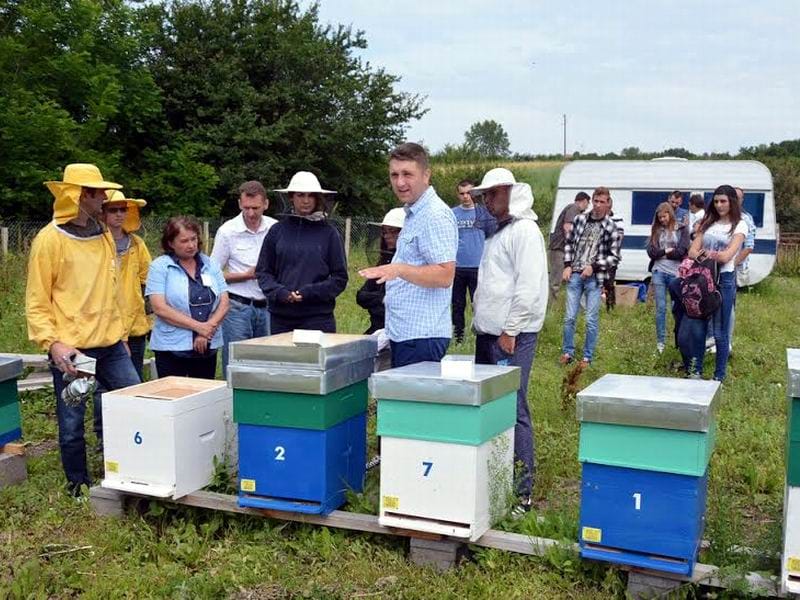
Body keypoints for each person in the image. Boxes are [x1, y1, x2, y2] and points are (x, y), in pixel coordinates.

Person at [26, 164, 141, 495]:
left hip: (111, 345)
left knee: (136, 403)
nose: (105, 197)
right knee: (73, 423)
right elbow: (37, 300)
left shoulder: (103, 235)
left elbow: (112, 289)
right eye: (99, 192)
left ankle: (131, 470)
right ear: (80, 196)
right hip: (75, 352)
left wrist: (121, 333)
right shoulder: (49, 240)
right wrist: (53, 344)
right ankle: (78, 487)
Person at [470, 168, 548, 516]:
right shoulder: (498, 232)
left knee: (513, 408)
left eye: (493, 194)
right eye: (484, 195)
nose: (487, 201)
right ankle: (495, 481)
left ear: (510, 192)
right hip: (488, 334)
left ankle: (522, 493)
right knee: (490, 407)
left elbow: (528, 287)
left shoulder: (525, 231)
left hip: (511, 336)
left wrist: (511, 331)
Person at [359, 142, 458, 368]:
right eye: (394, 175)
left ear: (426, 175)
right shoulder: (414, 213)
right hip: (406, 334)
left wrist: (399, 269)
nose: (400, 182)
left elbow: (445, 275)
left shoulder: (435, 215)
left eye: (407, 174)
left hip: (421, 337)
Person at [255, 172, 348, 334]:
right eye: (300, 195)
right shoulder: (277, 231)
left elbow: (339, 278)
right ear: (291, 197)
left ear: (317, 198)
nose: (306, 200)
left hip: (318, 318)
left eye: (311, 195)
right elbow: (263, 272)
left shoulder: (329, 233)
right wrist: (280, 293)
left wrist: (309, 293)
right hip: (281, 319)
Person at [670, 185, 747, 381]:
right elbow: (692, 251)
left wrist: (705, 253)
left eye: (723, 201)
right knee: (698, 327)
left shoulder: (740, 225)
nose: (719, 205)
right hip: (701, 279)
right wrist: (712, 254)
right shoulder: (707, 222)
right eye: (716, 201)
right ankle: (695, 371)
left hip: (724, 280)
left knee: (720, 332)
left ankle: (719, 376)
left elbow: (727, 256)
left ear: (731, 202)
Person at [146, 216, 230, 379]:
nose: (191, 245)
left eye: (193, 239)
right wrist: (198, 327)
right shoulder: (159, 267)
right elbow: (159, 308)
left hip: (207, 344)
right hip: (171, 347)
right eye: (184, 241)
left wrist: (206, 331)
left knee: (203, 391)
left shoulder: (210, 264)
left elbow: (224, 302)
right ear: (170, 243)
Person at [211, 181, 277, 374]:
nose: (250, 213)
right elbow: (212, 275)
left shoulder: (275, 228)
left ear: (266, 204)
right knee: (237, 364)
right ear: (240, 204)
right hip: (237, 308)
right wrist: (244, 276)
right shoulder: (227, 231)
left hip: (269, 306)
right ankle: (232, 394)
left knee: (268, 363)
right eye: (246, 207)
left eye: (255, 208)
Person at [560, 187, 621, 368]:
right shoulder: (580, 219)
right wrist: (567, 265)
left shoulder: (611, 226)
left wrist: (593, 266)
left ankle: (587, 357)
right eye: (596, 201)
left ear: (608, 203)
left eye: (602, 202)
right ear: (592, 201)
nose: (598, 205)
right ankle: (567, 352)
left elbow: (614, 257)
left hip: (595, 277)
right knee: (569, 317)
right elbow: (569, 243)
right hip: (575, 274)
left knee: (590, 320)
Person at [102, 190, 152, 380]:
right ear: (102, 213)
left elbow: (148, 283)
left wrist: (151, 322)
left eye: (123, 210)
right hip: (105, 327)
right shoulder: (95, 243)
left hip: (135, 326)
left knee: (134, 381)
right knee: (103, 385)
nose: (119, 214)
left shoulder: (137, 244)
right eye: (113, 210)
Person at [451, 178, 496, 343]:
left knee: (479, 303)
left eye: (469, 193)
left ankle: (481, 335)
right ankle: (458, 336)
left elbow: (492, 238)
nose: (465, 197)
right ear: (458, 195)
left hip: (478, 266)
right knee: (457, 304)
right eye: (462, 193)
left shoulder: (484, 213)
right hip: (457, 266)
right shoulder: (452, 214)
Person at [646, 202, 690, 353]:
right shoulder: (656, 230)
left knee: (677, 308)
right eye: (659, 218)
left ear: (670, 215)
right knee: (661, 308)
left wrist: (663, 253)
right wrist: (667, 250)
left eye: (664, 217)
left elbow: (682, 251)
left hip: (675, 273)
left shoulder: (682, 229)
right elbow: (651, 252)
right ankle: (660, 343)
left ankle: (679, 341)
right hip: (658, 271)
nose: (662, 220)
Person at [356, 208, 405, 334]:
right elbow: (361, 296)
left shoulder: (411, 265)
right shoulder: (384, 261)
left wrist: (381, 301)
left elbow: (400, 303)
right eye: (385, 232)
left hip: (400, 330)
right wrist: (382, 299)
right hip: (377, 327)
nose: (387, 236)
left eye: (392, 231)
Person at [548, 192, 590, 301]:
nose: (587, 206)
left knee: (564, 278)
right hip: (559, 249)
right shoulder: (574, 207)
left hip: (561, 249)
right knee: (555, 280)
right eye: (588, 203)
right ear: (584, 201)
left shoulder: (575, 211)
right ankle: (550, 306)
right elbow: (567, 227)